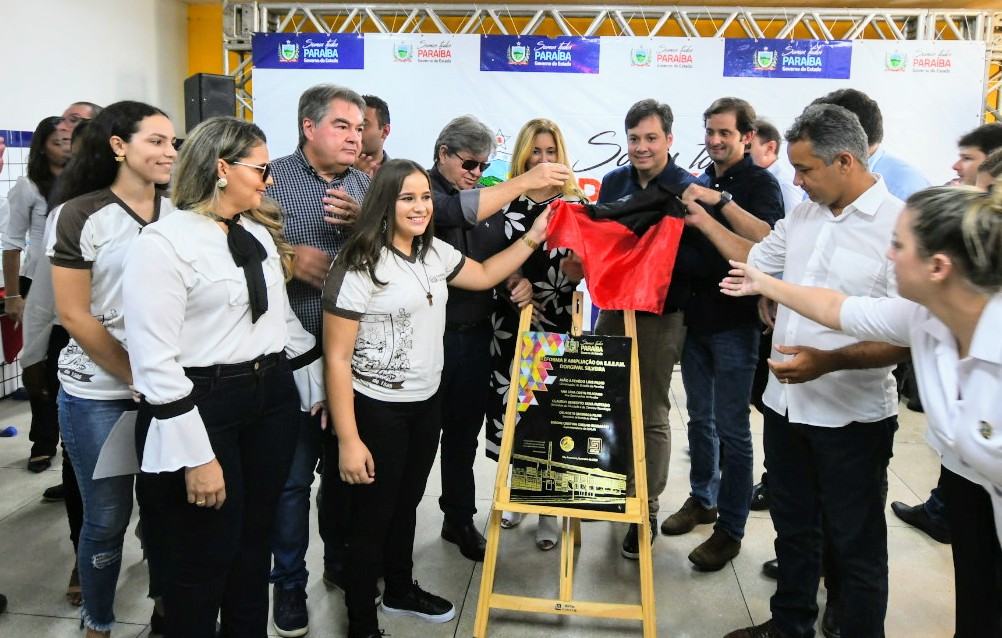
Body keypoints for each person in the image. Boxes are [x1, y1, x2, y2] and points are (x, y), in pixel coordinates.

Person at [720, 185, 1002, 638]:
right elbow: (836, 307)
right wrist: (765, 283)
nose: (889, 256)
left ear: (939, 267)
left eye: (900, 245)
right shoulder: (922, 316)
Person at [686, 104, 903, 638]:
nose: (796, 180)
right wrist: (706, 223)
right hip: (786, 408)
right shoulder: (805, 214)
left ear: (846, 161)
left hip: (852, 419)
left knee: (854, 545)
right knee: (793, 530)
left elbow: (903, 337)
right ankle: (790, 625)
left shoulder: (900, 228)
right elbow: (757, 260)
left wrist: (829, 360)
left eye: (805, 170)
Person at [322, 158, 552, 638]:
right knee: (372, 516)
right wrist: (348, 439)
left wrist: (536, 235)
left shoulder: (433, 253)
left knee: (407, 504)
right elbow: (337, 359)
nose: (420, 206)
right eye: (407, 197)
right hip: (375, 408)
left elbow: (487, 273)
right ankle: (361, 621)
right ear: (384, 203)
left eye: (425, 197)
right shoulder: (358, 263)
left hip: (426, 403)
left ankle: (402, 587)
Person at [124, 116, 324, 638]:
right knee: (202, 555)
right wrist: (197, 455)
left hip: (270, 398)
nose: (270, 178)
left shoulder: (254, 232)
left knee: (253, 547)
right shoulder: (163, 243)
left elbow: (279, 322)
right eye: (260, 167)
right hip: (201, 407)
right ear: (221, 168)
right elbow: (155, 363)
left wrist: (316, 385)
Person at [48, 100, 176, 638]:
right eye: (156, 141)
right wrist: (135, 374)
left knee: (169, 516)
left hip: (169, 392)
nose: (169, 152)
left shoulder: (183, 214)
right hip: (99, 394)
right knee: (105, 520)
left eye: (174, 143)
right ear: (119, 146)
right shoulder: (79, 214)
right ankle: (97, 622)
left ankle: (167, 612)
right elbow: (74, 313)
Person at [429, 115, 570, 562]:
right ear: (443, 155)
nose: (475, 172)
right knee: (420, 444)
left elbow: (495, 266)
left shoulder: (566, 203)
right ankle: (401, 532)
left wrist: (514, 284)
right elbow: (455, 219)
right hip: (449, 337)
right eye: (469, 163)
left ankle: (465, 517)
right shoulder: (438, 194)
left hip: (507, 331)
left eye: (482, 165)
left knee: (471, 434)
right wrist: (513, 282)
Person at [661, 98, 783, 571]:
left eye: (725, 133)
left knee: (734, 429)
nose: (715, 140)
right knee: (699, 420)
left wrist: (716, 208)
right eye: (709, 131)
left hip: (735, 326)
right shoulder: (703, 179)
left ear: (747, 137)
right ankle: (701, 499)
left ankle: (730, 529)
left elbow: (767, 243)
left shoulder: (759, 183)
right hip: (696, 322)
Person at [267, 83, 370, 637]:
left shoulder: (370, 186)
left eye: (358, 128)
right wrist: (287, 259)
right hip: (286, 359)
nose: (354, 137)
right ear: (309, 127)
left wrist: (364, 225)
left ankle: (339, 562)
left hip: (351, 360)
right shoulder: (270, 178)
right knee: (290, 482)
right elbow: (233, 248)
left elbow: (390, 260)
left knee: (344, 475)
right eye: (341, 126)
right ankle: (288, 584)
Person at [592, 98, 704, 559]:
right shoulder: (613, 182)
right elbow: (600, 241)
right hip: (614, 308)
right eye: (635, 138)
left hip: (662, 314)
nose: (641, 147)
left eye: (651, 138)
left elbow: (698, 258)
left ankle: (647, 508)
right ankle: (615, 492)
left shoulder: (688, 187)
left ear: (670, 141)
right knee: (609, 404)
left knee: (651, 410)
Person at [485, 118, 587, 551]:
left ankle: (547, 507)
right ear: (523, 156)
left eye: (551, 152)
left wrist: (584, 271)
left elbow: (596, 272)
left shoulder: (578, 205)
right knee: (514, 414)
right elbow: (483, 267)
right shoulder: (504, 206)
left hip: (561, 328)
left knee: (552, 416)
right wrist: (511, 285)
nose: (544, 161)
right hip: (511, 328)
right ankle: (515, 492)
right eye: (535, 153)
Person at [1, 116, 71, 473]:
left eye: (70, 140)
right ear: (42, 145)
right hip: (35, 283)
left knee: (69, 365)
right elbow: (12, 244)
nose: (67, 146)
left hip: (72, 280)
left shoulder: (83, 183)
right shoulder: (27, 186)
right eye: (59, 140)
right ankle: (42, 442)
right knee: (39, 365)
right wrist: (13, 295)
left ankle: (73, 442)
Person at [750, 120, 801, 215]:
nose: (741, 152)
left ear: (770, 148)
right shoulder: (757, 179)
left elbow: (795, 223)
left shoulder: (784, 183)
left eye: (748, 146)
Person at [356, 94, 391, 173]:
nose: (355, 132)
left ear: (385, 131)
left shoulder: (401, 176)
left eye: (364, 125)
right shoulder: (333, 172)